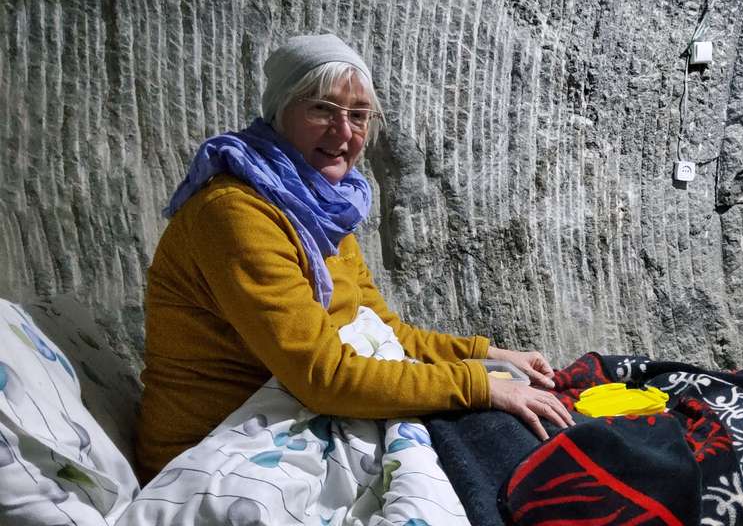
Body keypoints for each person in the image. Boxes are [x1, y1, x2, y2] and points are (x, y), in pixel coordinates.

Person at [135, 34, 573, 484]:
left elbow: (387, 331)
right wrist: (477, 385)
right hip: (222, 451)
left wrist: (490, 356)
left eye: (359, 115)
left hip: (296, 415)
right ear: (279, 113)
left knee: (525, 427)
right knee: (495, 451)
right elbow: (322, 377)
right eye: (322, 109)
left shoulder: (318, 206)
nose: (344, 132)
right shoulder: (236, 213)